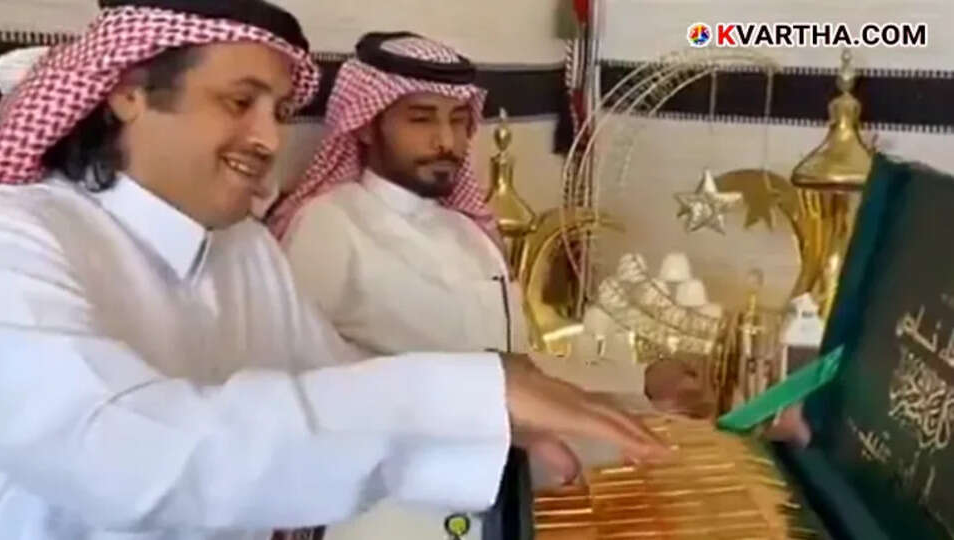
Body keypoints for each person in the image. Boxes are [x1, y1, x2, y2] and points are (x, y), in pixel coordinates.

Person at [0, 2, 671, 539]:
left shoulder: (242, 251)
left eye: (281, 112)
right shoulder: (15, 239)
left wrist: (495, 434)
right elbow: (125, 457)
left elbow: (328, 384)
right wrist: (463, 396)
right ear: (129, 94)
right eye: (239, 102)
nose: (267, 138)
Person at [265, 31, 707, 540]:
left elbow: (515, 366)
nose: (446, 141)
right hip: (383, 514)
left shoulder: (466, 233)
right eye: (421, 118)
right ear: (366, 126)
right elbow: (308, 388)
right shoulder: (329, 225)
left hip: (487, 498)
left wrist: (643, 381)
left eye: (457, 119)